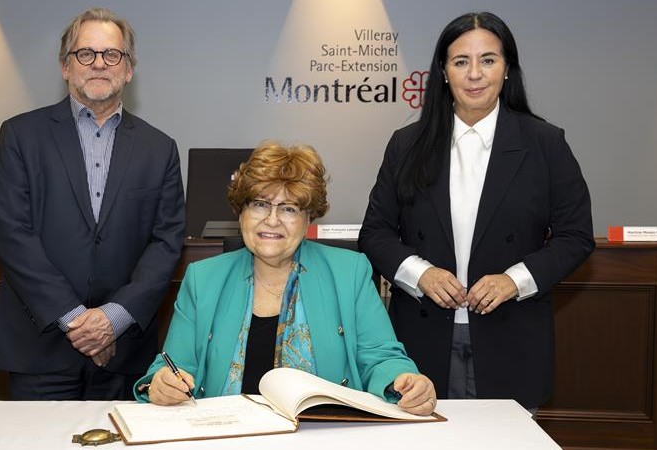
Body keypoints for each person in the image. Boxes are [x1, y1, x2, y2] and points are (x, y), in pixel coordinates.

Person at [359, 11, 594, 410]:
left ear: (507, 70)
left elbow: (576, 237)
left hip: (512, 337)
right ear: (443, 72)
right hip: (421, 338)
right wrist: (422, 273)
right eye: (460, 61)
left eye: (488, 60)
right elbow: (375, 233)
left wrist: (514, 281)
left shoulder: (545, 143)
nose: (474, 74)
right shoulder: (406, 144)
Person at [133, 141, 437, 416]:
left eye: (289, 208)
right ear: (240, 212)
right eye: (259, 204)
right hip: (225, 437)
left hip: (323, 436)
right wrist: (160, 383)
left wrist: (403, 380)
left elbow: (381, 357)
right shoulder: (203, 278)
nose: (272, 220)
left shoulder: (350, 271)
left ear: (309, 218)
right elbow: (172, 365)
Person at [0, 7, 185, 400]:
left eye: (112, 55)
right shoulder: (20, 135)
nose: (98, 64)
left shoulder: (160, 149)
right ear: (65, 66)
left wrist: (112, 320)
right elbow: (13, 234)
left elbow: (167, 242)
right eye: (85, 54)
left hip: (125, 352)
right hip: (39, 349)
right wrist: (80, 322)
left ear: (128, 69)